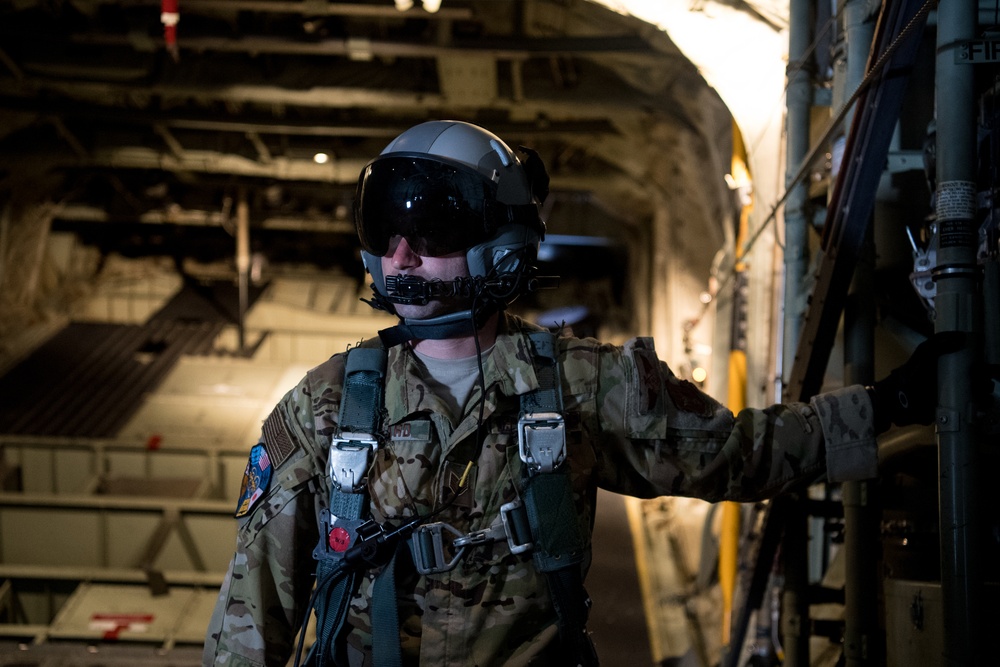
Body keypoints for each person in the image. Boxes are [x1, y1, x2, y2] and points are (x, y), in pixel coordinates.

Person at [203, 120, 940, 667]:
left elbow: (738, 454)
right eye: (386, 227)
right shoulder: (325, 407)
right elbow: (252, 617)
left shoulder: (580, 383)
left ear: (501, 237)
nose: (401, 254)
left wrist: (889, 406)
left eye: (428, 227)